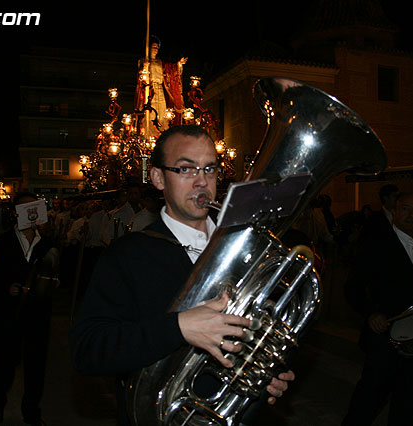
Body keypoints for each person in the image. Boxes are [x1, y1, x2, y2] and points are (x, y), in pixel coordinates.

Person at [70, 125, 294, 426]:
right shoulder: (128, 255)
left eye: (210, 169)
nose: (202, 182)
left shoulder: (249, 252)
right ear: (158, 178)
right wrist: (178, 327)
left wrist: (269, 371)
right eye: (186, 169)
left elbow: (263, 330)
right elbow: (88, 350)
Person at [342, 193, 413, 426]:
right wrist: (371, 313)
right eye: (406, 209)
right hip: (385, 340)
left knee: (410, 404)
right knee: (367, 401)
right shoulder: (375, 244)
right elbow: (352, 288)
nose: (412, 215)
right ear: (395, 212)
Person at [0, 193, 55, 426]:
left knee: (35, 365)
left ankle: (31, 411)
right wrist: (8, 287)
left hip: (38, 315)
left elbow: (53, 274)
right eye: (25, 207)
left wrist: (53, 282)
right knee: (5, 363)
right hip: (9, 314)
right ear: (16, 212)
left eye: (34, 206)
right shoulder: (4, 242)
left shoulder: (46, 244)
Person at [135, 36, 187, 137]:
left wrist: (179, 64)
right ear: (148, 49)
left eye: (157, 48)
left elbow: (170, 70)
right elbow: (141, 75)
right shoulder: (143, 61)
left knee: (162, 109)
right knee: (150, 110)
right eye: (153, 47)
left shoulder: (160, 63)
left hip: (159, 88)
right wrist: (144, 67)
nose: (155, 50)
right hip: (149, 89)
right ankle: (148, 132)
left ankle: (162, 130)